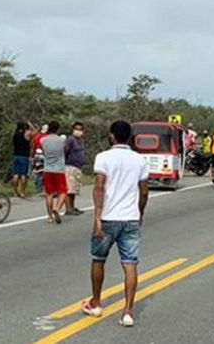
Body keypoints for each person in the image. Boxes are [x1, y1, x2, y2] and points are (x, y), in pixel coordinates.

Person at [81, 120, 149, 327]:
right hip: (130, 218)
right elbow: (144, 191)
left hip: (109, 217)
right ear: (129, 137)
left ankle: (96, 303)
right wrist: (140, 213)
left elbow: (99, 188)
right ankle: (128, 312)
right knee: (130, 264)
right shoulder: (140, 160)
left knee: (98, 259)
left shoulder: (103, 157)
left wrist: (97, 218)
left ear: (112, 136)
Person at [41, 121, 68, 224]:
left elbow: (44, 152)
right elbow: (65, 150)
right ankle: (57, 207)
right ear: (58, 129)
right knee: (63, 191)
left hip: (47, 169)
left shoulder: (43, 140)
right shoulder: (61, 140)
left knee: (49, 194)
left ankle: (49, 217)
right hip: (59, 169)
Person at [64, 122, 86, 216]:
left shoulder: (81, 140)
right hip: (70, 166)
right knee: (69, 188)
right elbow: (65, 151)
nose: (78, 131)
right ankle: (68, 208)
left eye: (80, 129)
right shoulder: (70, 140)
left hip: (78, 167)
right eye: (76, 129)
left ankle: (72, 207)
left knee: (74, 189)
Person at [12, 121, 35, 197]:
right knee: (23, 175)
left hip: (16, 156)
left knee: (15, 174)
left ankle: (15, 191)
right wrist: (31, 125)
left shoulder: (14, 135)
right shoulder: (26, 134)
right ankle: (23, 191)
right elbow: (36, 132)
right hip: (24, 156)